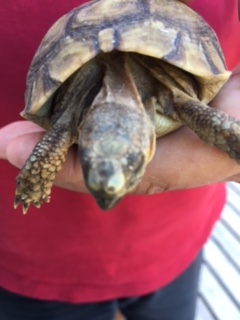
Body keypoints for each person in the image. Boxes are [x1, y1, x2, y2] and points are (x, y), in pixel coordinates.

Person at [0, 0, 239, 319]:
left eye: (130, 165)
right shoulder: (72, 114)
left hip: (173, 243)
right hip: (33, 260)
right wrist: (34, 183)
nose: (111, 190)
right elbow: (51, 143)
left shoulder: (177, 94)